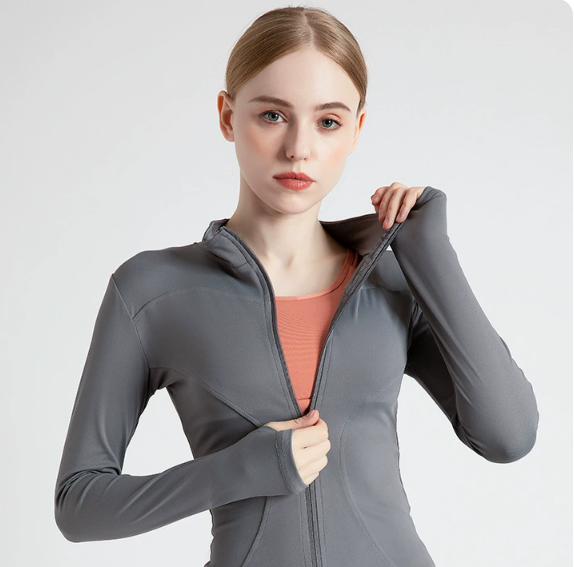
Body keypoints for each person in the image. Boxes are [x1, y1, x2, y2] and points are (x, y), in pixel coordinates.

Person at [54, 6, 539, 566]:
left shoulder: (392, 279)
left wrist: (432, 258)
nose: (298, 148)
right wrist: (236, 470)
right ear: (227, 116)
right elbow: (79, 505)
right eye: (273, 115)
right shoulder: (154, 292)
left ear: (356, 130)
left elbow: (509, 436)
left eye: (328, 122)